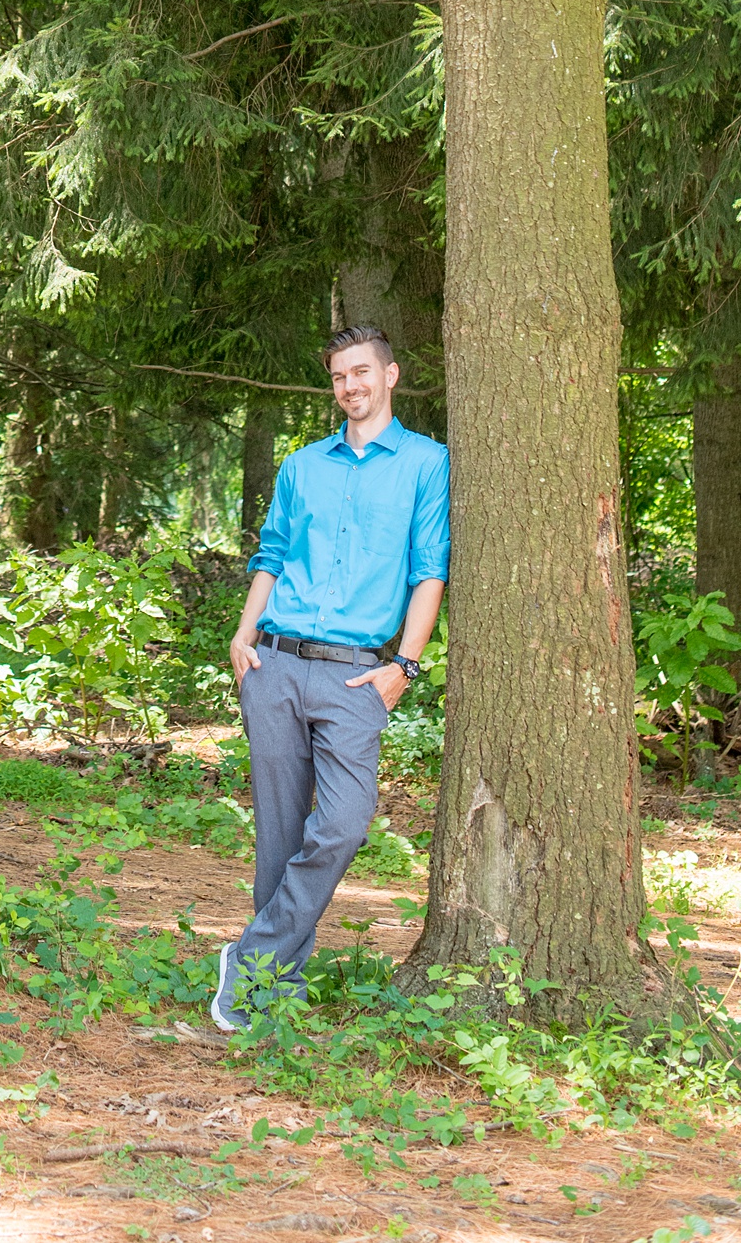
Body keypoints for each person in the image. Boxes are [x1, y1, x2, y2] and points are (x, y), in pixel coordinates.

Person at [211, 326, 450, 1033]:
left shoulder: (425, 463)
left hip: (356, 678)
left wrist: (404, 665)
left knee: (345, 822)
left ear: (391, 375)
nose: (350, 386)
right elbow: (274, 552)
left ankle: (250, 959)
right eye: (340, 377)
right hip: (275, 664)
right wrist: (243, 635)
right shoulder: (302, 465)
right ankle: (265, 993)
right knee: (280, 834)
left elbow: (428, 568)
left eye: (361, 372)